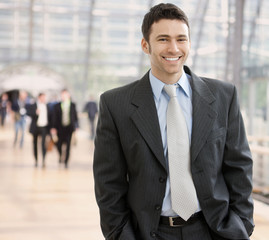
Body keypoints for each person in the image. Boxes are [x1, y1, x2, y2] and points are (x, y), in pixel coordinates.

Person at [93, 3, 254, 240]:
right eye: (163, 39)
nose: (174, 48)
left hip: (214, 230)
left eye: (181, 39)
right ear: (145, 45)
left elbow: (239, 167)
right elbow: (108, 184)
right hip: (150, 232)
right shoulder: (115, 104)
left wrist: (241, 224)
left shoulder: (223, 96)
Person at [51, 89, 78, 168]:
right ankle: (60, 155)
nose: (64, 96)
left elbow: (75, 116)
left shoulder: (72, 105)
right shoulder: (57, 106)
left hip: (69, 128)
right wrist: (53, 127)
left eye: (65, 95)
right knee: (58, 144)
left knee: (68, 146)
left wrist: (76, 126)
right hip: (59, 128)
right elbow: (54, 117)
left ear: (68, 96)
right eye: (62, 95)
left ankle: (66, 161)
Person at [27, 93, 50, 167]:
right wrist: (35, 112)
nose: (44, 99)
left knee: (43, 144)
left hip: (44, 127)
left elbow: (51, 116)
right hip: (35, 127)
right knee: (35, 144)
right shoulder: (33, 105)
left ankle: (43, 159)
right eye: (43, 97)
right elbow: (28, 113)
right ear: (39, 97)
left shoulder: (47, 106)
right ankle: (36, 160)